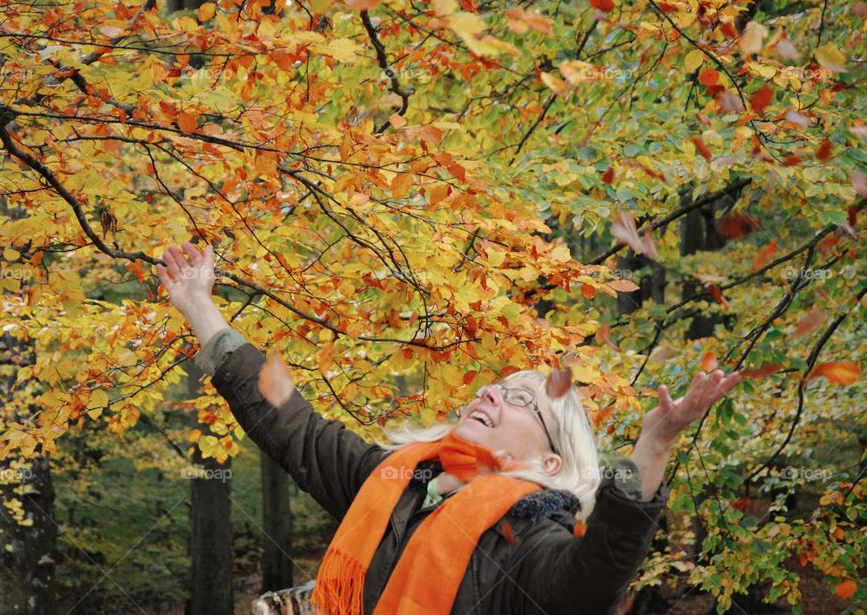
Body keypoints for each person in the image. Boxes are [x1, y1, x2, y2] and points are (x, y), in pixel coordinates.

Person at [157, 242, 742, 615]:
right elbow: (292, 423)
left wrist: (655, 443)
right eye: (497, 385)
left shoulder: (531, 547)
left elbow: (597, 579)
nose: (491, 392)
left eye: (520, 400)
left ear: (549, 464)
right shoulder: (391, 482)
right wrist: (201, 309)